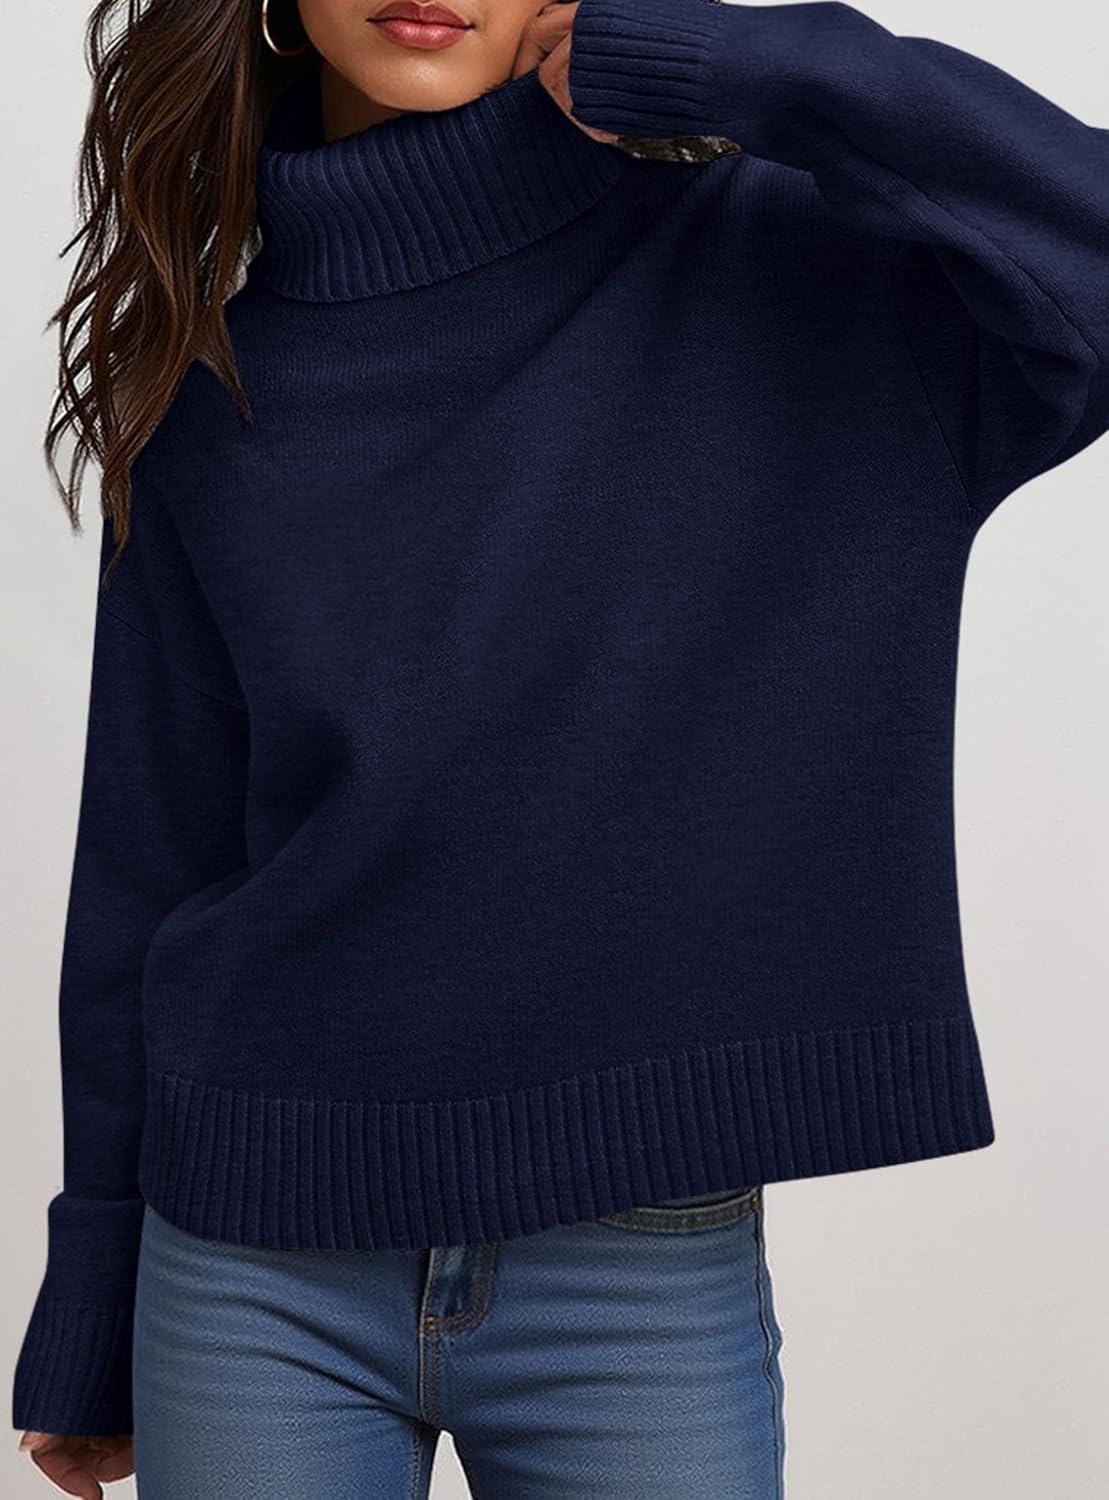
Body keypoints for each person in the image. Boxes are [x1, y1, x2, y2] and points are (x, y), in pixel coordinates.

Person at [10, 0, 1108, 1495]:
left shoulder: (797, 272)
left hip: (634, 1275)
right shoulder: (207, 387)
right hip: (246, 1273)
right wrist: (95, 1291)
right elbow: (152, 854)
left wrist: (730, 60)